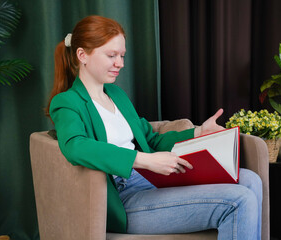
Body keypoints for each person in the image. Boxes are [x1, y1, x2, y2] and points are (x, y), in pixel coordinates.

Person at [45, 15, 262, 240]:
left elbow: (151, 140)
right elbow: (75, 146)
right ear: (82, 55)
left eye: (122, 55)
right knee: (239, 200)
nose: (120, 63)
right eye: (111, 55)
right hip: (122, 197)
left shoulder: (116, 94)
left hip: (149, 179)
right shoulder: (67, 102)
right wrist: (142, 160)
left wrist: (198, 132)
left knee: (251, 180)